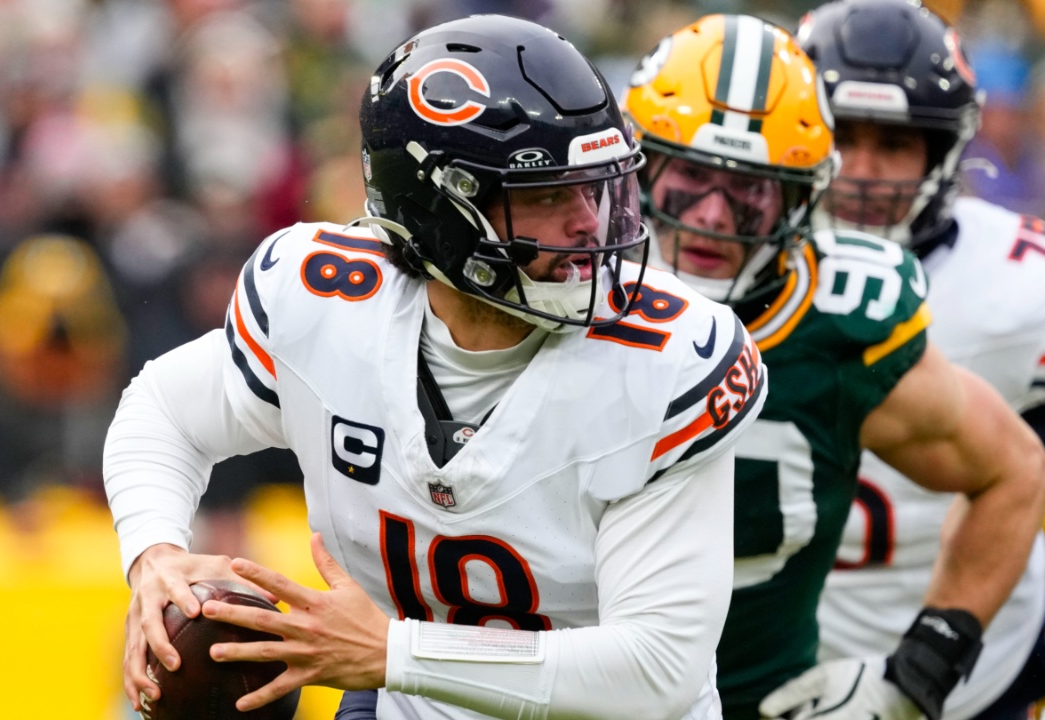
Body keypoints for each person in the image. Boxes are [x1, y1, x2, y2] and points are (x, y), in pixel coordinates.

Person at [104, 15, 767, 720]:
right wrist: (155, 557)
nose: (589, 222)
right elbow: (162, 412)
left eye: (597, 187)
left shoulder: (667, 358)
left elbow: (655, 670)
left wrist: (394, 653)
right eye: (547, 194)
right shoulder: (324, 301)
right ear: (438, 212)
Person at [622, 13, 1045, 720]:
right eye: (692, 175)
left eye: (749, 189)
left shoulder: (837, 322)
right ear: (641, 166)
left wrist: (917, 676)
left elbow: (1016, 470)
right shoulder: (568, 299)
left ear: (801, 194)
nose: (712, 215)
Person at [799, 1, 1045, 718]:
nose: (859, 174)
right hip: (747, 680)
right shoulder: (720, 277)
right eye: (839, 137)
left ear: (943, 149)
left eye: (892, 144)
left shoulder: (1026, 293)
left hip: (967, 689)